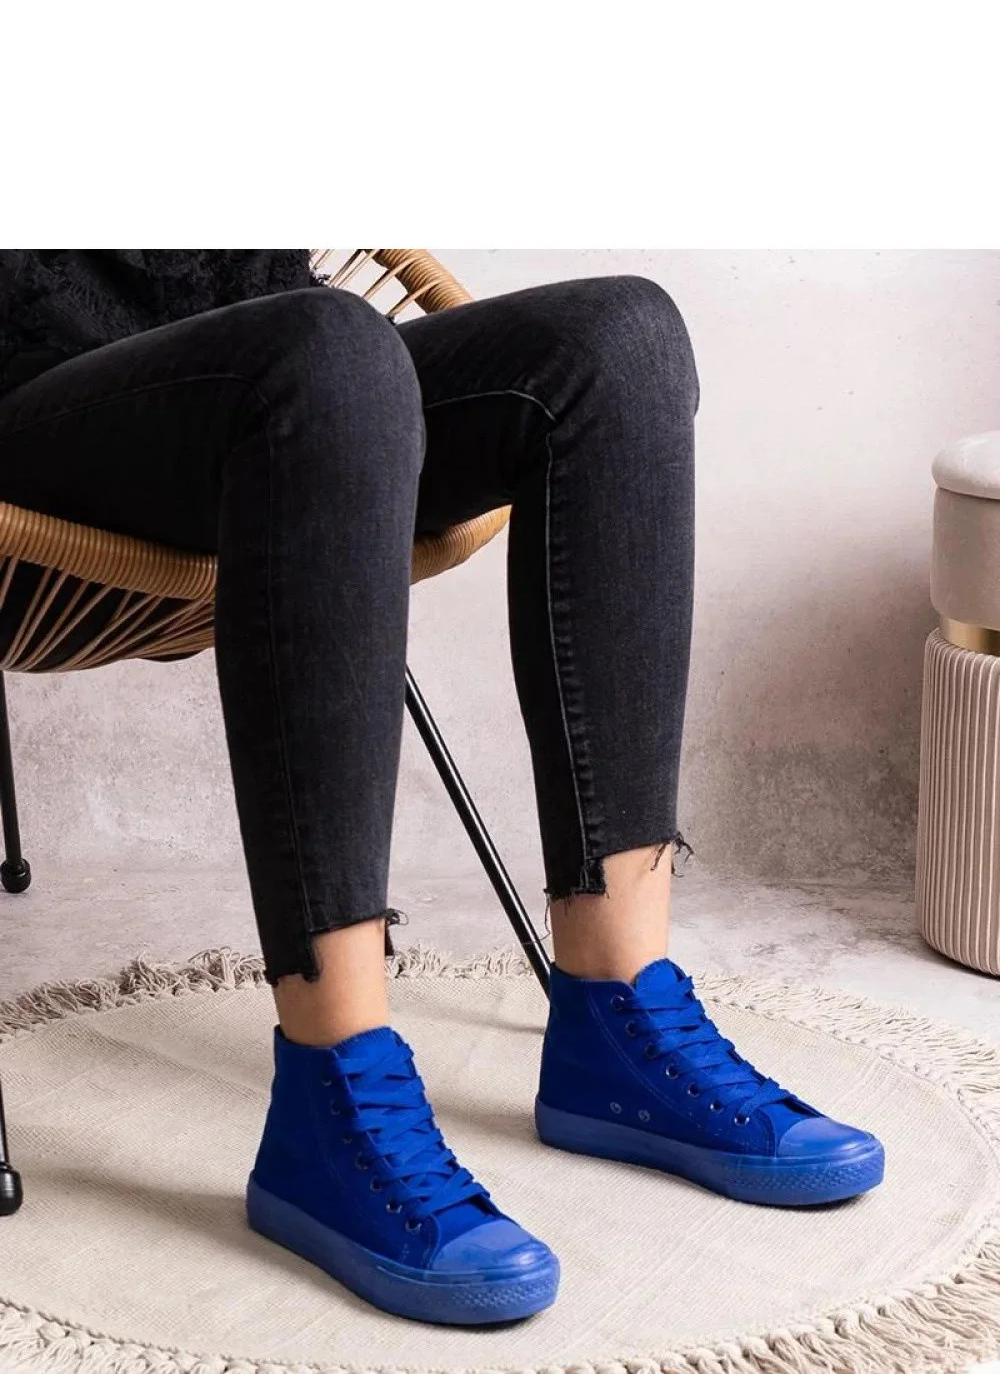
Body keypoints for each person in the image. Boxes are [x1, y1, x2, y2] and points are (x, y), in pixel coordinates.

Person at [0, 251, 884, 1327]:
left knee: (620, 341)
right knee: (326, 353)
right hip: (38, 390)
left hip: (263, 351)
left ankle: (620, 1016)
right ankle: (332, 1094)